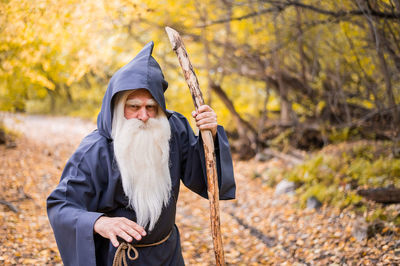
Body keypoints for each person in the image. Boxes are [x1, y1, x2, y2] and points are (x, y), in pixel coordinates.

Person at [47, 41, 235, 266]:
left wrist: (211, 135)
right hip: (120, 258)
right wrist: (99, 223)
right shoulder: (95, 149)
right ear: (118, 106)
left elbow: (205, 176)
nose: (144, 116)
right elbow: (61, 206)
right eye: (134, 107)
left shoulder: (173, 129)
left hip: (168, 255)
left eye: (151, 107)